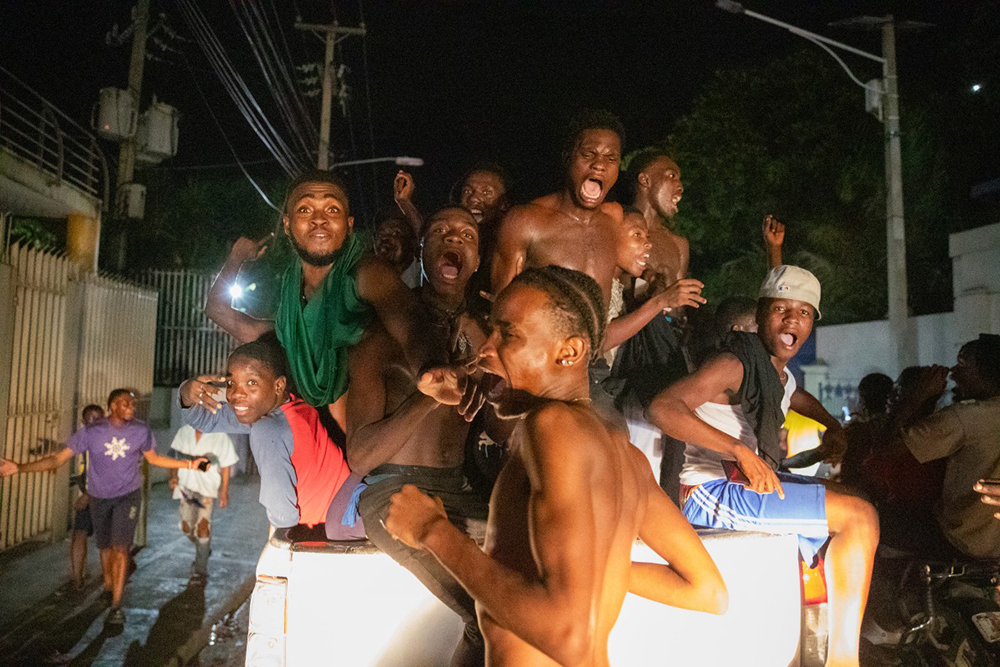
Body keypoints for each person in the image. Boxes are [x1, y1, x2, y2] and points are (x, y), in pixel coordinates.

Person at [385, 266, 728, 667]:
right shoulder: (626, 458)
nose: (485, 350)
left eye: (507, 335)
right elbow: (707, 590)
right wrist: (607, 567)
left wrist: (434, 532)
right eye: (490, 331)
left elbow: (570, 639)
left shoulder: (551, 426)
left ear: (569, 352)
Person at [648, 265, 878, 667]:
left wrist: (833, 424)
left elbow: (798, 397)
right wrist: (740, 451)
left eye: (804, 312)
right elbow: (663, 407)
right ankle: (845, 660)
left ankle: (817, 631)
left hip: (742, 484)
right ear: (760, 316)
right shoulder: (734, 363)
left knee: (856, 498)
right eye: (781, 310)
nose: (792, 319)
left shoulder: (778, 374)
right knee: (859, 517)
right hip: (706, 490)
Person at [347, 207, 501, 666]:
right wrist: (430, 396)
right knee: (487, 613)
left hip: (460, 488)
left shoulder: (486, 336)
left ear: (476, 259)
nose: (452, 238)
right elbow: (360, 457)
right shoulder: (380, 338)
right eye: (438, 232)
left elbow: (502, 429)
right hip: (393, 491)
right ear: (423, 253)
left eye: (466, 234)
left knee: (527, 588)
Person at [205, 170, 442, 433]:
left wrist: (431, 367)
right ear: (287, 224)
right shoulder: (290, 316)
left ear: (349, 224)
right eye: (305, 209)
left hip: (380, 455)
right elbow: (218, 311)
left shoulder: (366, 274)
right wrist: (236, 257)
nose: (319, 219)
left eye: (332, 209)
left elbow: (408, 317)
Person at [0, 390, 208, 626]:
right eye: (125, 403)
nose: (131, 406)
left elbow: (155, 459)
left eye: (132, 403)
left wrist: (191, 464)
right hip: (99, 498)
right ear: (111, 406)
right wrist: (19, 467)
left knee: (121, 549)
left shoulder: (141, 431)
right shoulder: (90, 432)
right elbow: (57, 460)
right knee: (106, 547)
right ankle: (109, 586)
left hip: (127, 496)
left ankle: (116, 606)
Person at [178, 337, 352, 538]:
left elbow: (283, 515)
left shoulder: (268, 429)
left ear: (278, 385)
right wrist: (186, 393)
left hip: (322, 533)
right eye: (231, 383)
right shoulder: (292, 407)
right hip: (343, 513)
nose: (235, 394)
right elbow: (207, 420)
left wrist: (275, 553)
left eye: (251, 382)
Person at [894, 334, 1000, 559]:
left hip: (960, 539)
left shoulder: (966, 417)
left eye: (962, 364)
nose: (954, 371)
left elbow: (892, 449)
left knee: (874, 518)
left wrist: (920, 396)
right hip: (990, 545)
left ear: (986, 371)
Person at [167, 424, 239, 585]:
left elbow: (226, 465)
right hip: (186, 487)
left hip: (207, 490)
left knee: (203, 528)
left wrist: (224, 492)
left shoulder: (220, 435)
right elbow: (174, 456)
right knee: (187, 528)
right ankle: (204, 550)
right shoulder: (183, 432)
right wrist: (173, 476)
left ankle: (200, 570)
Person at [70, 404, 105, 591]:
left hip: (103, 496)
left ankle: (111, 582)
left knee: (106, 541)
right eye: (90, 418)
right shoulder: (81, 439)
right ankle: (77, 579)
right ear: (83, 421)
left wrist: (88, 495)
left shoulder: (106, 441)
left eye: (98, 418)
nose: (93, 422)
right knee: (79, 534)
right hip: (87, 493)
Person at [372, 212, 420, 288]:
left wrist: (404, 202)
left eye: (396, 233)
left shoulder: (420, 273)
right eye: (381, 233)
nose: (385, 238)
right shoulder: (367, 280)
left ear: (411, 243)